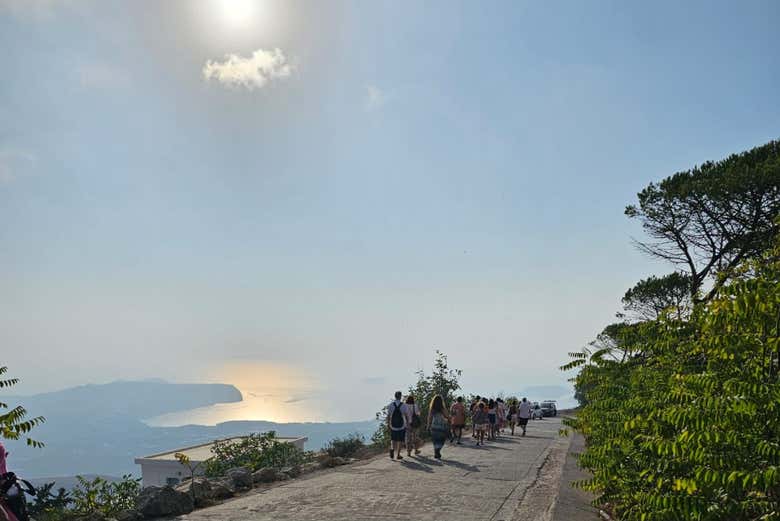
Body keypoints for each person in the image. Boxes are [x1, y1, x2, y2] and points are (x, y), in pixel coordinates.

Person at [427, 395, 450, 459]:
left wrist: (428, 426)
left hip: (434, 426)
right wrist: (448, 420)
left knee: (435, 440)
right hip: (442, 426)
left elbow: (429, 418)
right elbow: (447, 416)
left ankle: (436, 452)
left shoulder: (432, 409)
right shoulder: (442, 409)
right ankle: (437, 451)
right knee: (441, 440)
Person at [386, 391, 408, 460]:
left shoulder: (391, 405)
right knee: (400, 440)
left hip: (393, 425)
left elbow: (388, 416)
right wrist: (407, 424)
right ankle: (398, 454)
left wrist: (388, 424)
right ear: (400, 396)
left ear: (395, 396)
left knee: (393, 439)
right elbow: (406, 415)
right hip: (402, 425)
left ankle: (392, 449)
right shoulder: (404, 405)